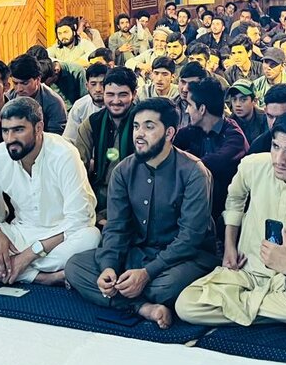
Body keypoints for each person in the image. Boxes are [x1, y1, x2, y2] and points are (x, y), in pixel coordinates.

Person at [65, 98, 219, 329]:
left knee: (163, 287)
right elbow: (116, 228)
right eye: (136, 126)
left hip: (184, 258)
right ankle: (143, 307)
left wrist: (147, 273)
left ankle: (129, 298)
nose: (139, 134)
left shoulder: (194, 172)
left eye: (149, 126)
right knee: (76, 266)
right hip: (137, 253)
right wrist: (109, 267)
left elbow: (190, 238)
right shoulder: (123, 171)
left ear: (169, 133)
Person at [175, 111, 286, 330]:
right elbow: (234, 200)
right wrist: (230, 246)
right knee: (186, 304)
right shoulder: (252, 165)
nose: (279, 159)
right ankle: (284, 318)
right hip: (246, 272)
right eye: (275, 146)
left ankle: (244, 310)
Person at [0, 97, 101, 286]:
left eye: (18, 130)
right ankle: (44, 277)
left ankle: (4, 269)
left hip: (60, 237)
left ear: (39, 128)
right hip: (20, 234)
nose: (10, 139)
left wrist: (29, 255)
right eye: (5, 131)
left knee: (91, 237)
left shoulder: (64, 154)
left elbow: (79, 219)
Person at [174, 78, 249, 230]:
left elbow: (205, 166)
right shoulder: (194, 130)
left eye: (190, 105)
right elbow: (170, 145)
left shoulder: (234, 138)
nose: (187, 111)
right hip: (197, 210)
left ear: (202, 109)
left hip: (227, 220)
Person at [73, 67, 138, 219]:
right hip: (100, 194)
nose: (116, 101)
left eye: (122, 95)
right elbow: (78, 166)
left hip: (135, 194)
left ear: (134, 94)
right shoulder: (92, 123)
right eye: (110, 94)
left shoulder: (143, 123)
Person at [8, 54, 68, 135]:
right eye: (15, 83)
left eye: (24, 83)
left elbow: (55, 137)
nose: (19, 89)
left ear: (38, 80)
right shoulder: (8, 98)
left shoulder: (54, 103)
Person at [63, 63, 108, 143]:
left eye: (102, 84)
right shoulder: (80, 106)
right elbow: (69, 139)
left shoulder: (117, 106)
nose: (98, 89)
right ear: (87, 86)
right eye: (93, 84)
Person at [227, 80, 268, 145]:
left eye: (243, 99)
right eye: (234, 99)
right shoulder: (228, 124)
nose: (237, 104)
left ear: (254, 101)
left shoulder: (266, 120)